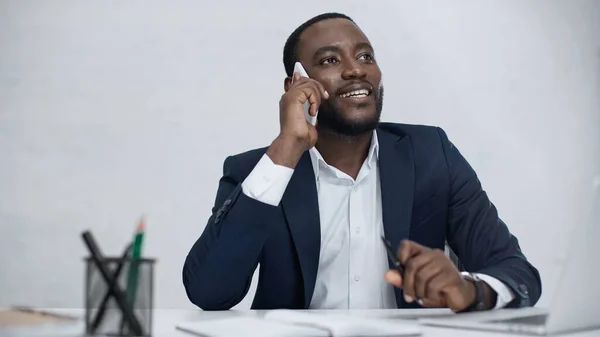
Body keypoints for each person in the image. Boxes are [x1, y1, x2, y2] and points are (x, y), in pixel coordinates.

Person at [182, 12, 541, 312]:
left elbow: (517, 274)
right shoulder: (258, 172)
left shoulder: (433, 154)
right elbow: (210, 292)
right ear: (296, 83)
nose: (357, 70)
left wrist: (470, 290)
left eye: (366, 56)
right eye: (330, 60)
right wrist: (286, 149)